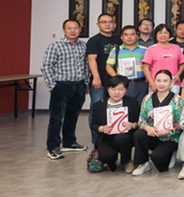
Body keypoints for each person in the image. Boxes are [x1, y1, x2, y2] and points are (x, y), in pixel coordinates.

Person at [42, 19, 90, 159]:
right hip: (61, 86)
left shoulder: (83, 46)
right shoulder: (55, 46)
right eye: (69, 28)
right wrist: (53, 86)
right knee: (56, 118)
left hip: (79, 86)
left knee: (72, 116)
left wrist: (86, 83)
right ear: (64, 30)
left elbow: (86, 66)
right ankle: (53, 147)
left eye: (75, 28)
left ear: (80, 30)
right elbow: (47, 66)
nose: (73, 31)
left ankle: (69, 142)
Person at [132, 70, 184, 175]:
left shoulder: (177, 100)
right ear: (154, 82)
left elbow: (180, 125)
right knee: (139, 134)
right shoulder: (147, 98)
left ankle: (170, 154)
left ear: (171, 82)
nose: (161, 84)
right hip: (153, 135)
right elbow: (141, 121)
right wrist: (148, 128)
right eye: (158, 80)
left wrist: (167, 132)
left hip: (170, 138)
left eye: (165, 81)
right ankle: (143, 163)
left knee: (158, 159)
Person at [90, 75, 140, 173]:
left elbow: (139, 121)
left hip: (125, 136)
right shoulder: (99, 105)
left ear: (126, 90)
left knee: (122, 138)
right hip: (107, 137)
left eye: (121, 89)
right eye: (113, 89)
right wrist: (101, 128)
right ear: (108, 89)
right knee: (106, 156)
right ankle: (111, 162)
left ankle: (127, 161)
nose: (116, 92)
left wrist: (132, 125)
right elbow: (93, 125)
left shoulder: (132, 102)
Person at [86, 13, 121, 145]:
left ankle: (112, 140)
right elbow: (91, 59)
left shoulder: (118, 40)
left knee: (115, 110)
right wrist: (96, 77)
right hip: (99, 83)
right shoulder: (94, 41)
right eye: (103, 22)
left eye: (110, 22)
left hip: (115, 82)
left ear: (114, 24)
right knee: (97, 110)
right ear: (98, 24)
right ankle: (96, 142)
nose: (107, 24)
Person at [105, 25, 148, 105]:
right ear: (122, 37)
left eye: (132, 34)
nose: (129, 37)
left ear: (137, 36)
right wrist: (117, 78)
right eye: (126, 34)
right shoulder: (116, 50)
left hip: (141, 83)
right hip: (123, 84)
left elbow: (149, 66)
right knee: (124, 106)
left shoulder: (145, 50)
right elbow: (109, 66)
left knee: (141, 106)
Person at [141, 24, 184, 94]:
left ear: (169, 34)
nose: (163, 35)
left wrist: (178, 74)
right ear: (156, 35)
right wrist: (151, 82)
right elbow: (145, 68)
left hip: (173, 83)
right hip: (156, 83)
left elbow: (182, 63)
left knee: (173, 101)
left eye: (165, 33)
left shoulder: (177, 48)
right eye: (160, 33)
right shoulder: (151, 49)